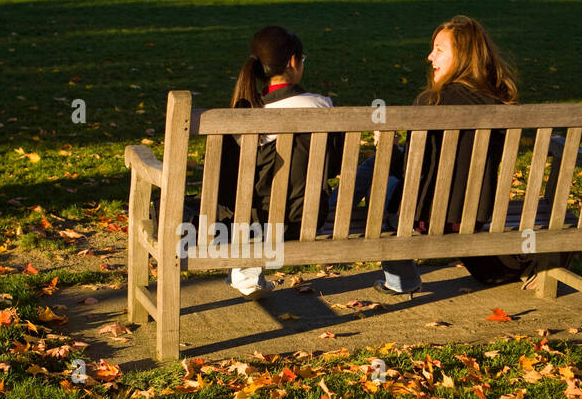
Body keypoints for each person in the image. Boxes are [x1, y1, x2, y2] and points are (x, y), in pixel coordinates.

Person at [351, 16, 523, 294]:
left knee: (378, 174)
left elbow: (411, 172)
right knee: (379, 170)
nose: (430, 56)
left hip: (425, 217)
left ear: (465, 56)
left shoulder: (431, 103)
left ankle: (398, 278)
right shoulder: (500, 102)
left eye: (439, 49)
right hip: (475, 214)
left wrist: (389, 149)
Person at [214, 27, 342, 298]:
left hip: (245, 222)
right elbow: (334, 166)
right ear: (294, 62)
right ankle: (247, 271)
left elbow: (225, 181)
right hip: (303, 219)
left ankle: (246, 269)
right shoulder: (320, 106)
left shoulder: (241, 113)